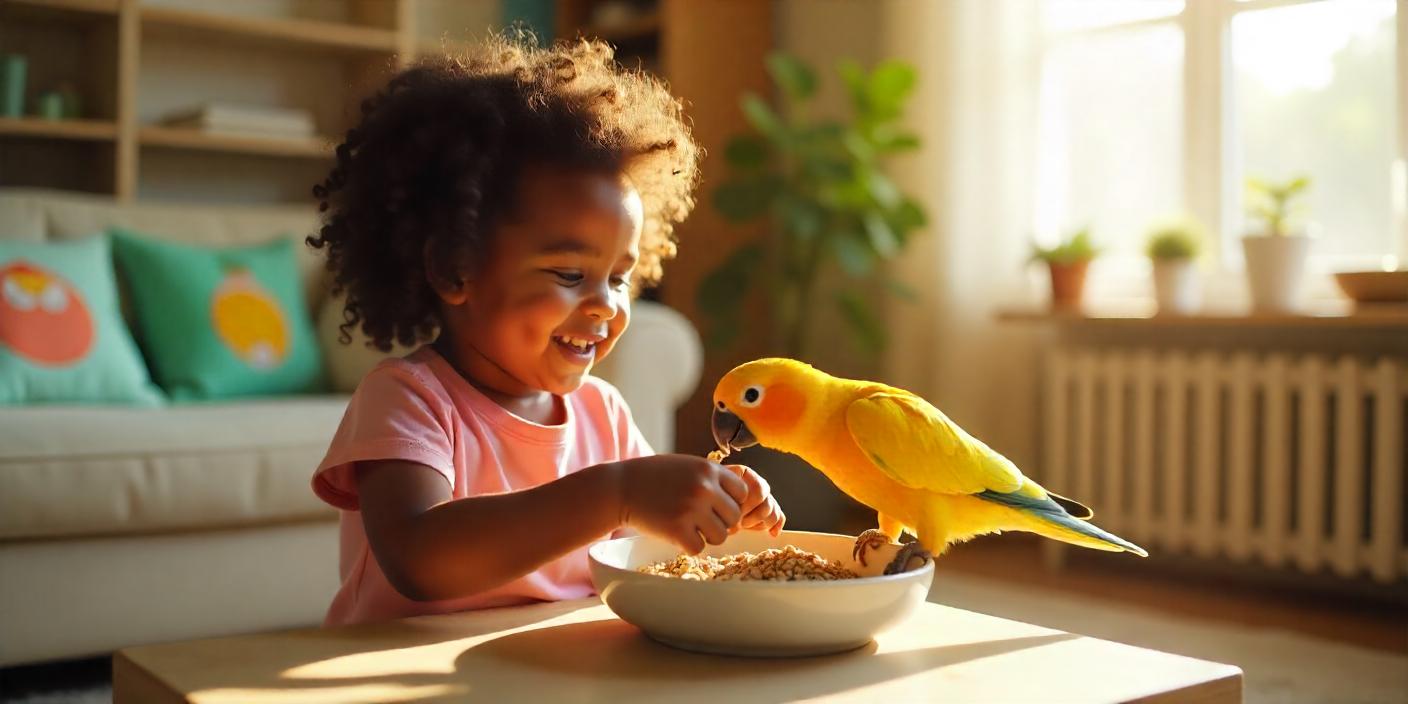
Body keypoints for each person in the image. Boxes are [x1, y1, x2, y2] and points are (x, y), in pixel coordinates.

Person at [306, 33, 784, 628]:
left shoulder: (602, 413)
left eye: (618, 278)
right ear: (456, 267)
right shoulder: (408, 400)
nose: (606, 305)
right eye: (568, 273)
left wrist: (708, 502)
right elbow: (418, 558)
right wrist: (619, 493)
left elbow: (644, 541)